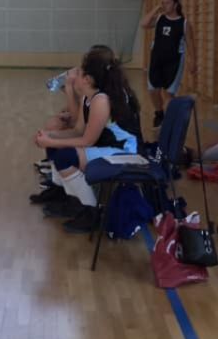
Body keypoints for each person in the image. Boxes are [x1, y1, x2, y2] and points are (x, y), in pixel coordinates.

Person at [32, 46, 142, 233]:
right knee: (56, 146)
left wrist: (52, 141)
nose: (74, 73)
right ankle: (66, 195)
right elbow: (78, 130)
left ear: (88, 79)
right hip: (105, 145)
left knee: (65, 157)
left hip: (124, 152)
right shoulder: (89, 96)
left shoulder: (101, 99)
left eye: (79, 71)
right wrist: (49, 136)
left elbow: (87, 141)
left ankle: (91, 211)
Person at [142, 0, 197, 128]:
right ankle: (159, 113)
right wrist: (156, 8)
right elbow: (144, 24)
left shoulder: (184, 23)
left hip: (174, 61)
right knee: (153, 90)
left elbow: (190, 43)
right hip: (156, 59)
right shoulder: (159, 18)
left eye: (167, 2)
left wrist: (193, 61)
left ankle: (168, 122)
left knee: (169, 93)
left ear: (175, 5)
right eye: (162, 2)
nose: (164, 5)